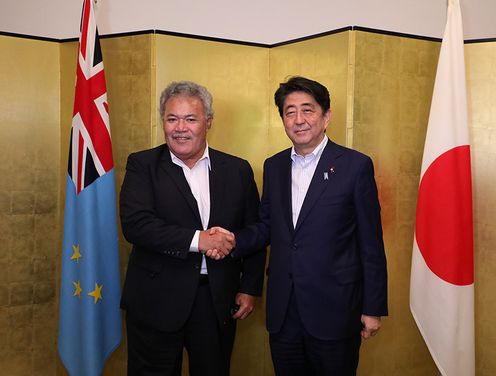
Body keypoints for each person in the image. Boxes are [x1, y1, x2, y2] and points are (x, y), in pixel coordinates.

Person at [211, 76, 388, 375]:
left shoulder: (355, 166)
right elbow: (267, 225)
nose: (299, 119)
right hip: (284, 311)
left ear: (326, 116)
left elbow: (370, 242)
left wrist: (373, 308)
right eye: (290, 111)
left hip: (335, 309)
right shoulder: (274, 166)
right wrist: (231, 240)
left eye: (308, 110)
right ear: (282, 119)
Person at [119, 80, 266, 376]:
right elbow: (136, 225)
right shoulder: (142, 165)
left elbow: (254, 230)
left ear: (208, 122)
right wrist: (200, 240)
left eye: (190, 119)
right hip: (156, 300)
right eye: (172, 119)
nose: (180, 128)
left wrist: (250, 286)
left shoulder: (237, 170)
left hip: (215, 301)